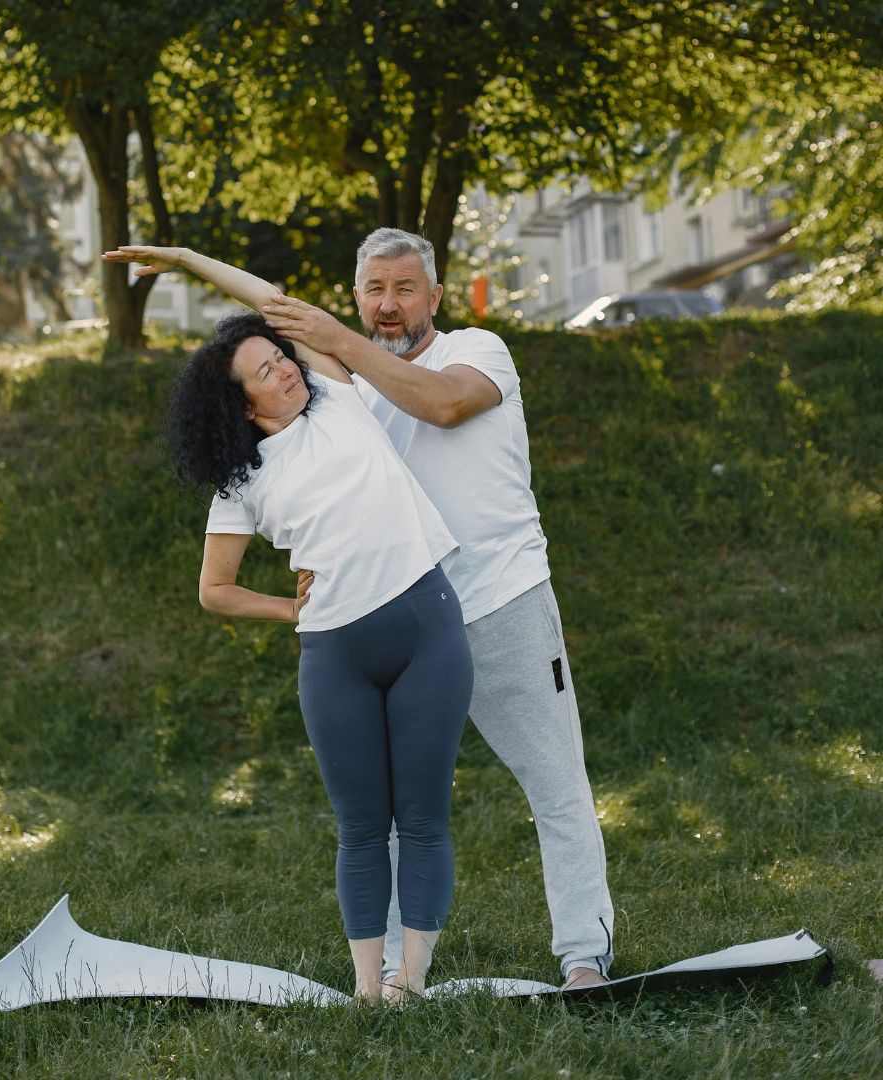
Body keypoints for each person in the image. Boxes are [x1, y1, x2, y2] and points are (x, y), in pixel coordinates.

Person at [102, 244, 474, 1001]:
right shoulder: (241, 486)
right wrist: (286, 608)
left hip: (426, 626)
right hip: (335, 653)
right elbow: (214, 589)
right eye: (267, 370)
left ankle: (412, 980)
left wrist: (184, 258)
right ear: (242, 405)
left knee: (424, 817)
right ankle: (369, 989)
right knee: (363, 827)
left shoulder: (338, 392)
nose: (286, 369)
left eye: (282, 358)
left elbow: (274, 300)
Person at [262, 228, 615, 989]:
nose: (389, 306)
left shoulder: (476, 352)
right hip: (407, 615)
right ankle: (392, 970)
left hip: (503, 601)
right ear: (356, 296)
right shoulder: (344, 394)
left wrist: (340, 343)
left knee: (556, 783)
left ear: (435, 296)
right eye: (374, 291)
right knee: (388, 811)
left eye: (405, 289)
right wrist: (189, 263)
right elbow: (276, 337)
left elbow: (447, 407)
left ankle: (584, 954)